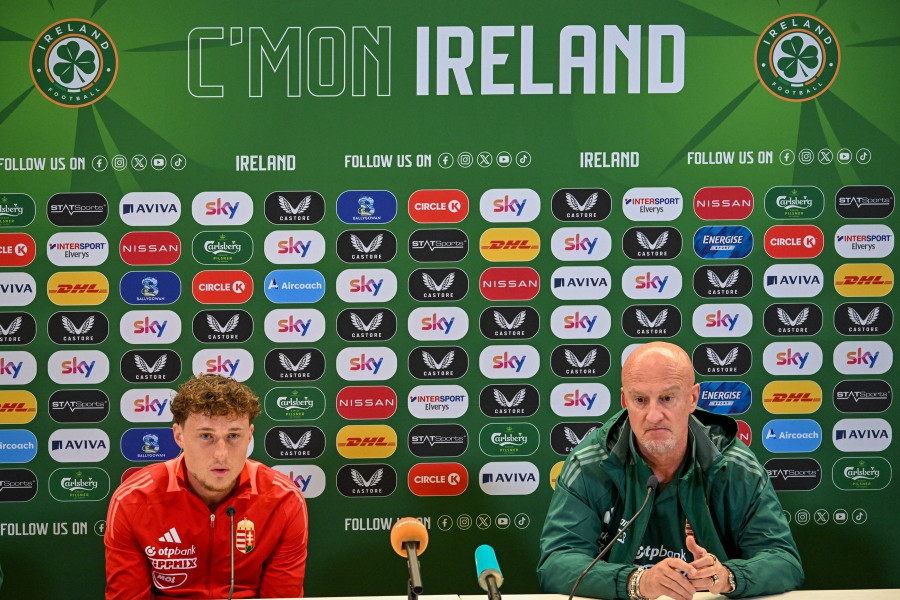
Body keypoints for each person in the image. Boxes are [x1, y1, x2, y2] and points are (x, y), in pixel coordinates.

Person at [538, 341, 803, 600]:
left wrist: (727, 576)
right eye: (640, 399)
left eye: (667, 398)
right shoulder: (589, 464)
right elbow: (557, 562)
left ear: (692, 398)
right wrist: (637, 582)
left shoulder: (735, 466)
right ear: (625, 400)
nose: (654, 415)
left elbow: (783, 560)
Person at [105, 374, 308, 599]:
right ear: (179, 436)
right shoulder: (133, 500)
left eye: (233, 435)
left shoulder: (283, 499)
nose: (221, 454)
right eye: (206, 436)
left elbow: (281, 596)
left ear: (249, 436)